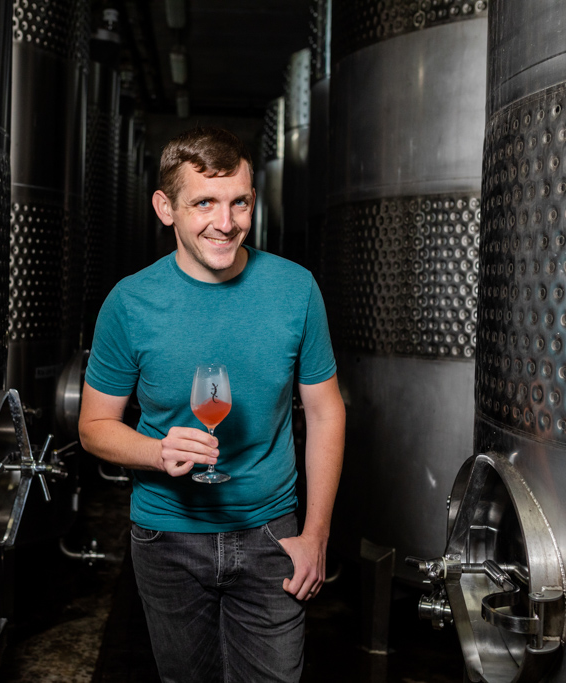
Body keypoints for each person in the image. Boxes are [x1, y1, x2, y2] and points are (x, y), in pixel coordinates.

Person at [78, 126, 345, 683]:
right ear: (165, 208)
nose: (226, 223)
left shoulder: (296, 289)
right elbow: (94, 427)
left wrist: (316, 534)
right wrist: (155, 452)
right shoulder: (129, 303)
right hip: (166, 535)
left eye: (239, 202)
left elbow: (325, 411)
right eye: (204, 203)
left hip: (273, 533)